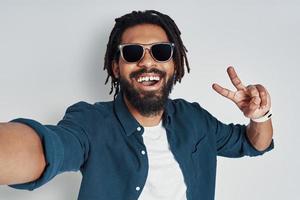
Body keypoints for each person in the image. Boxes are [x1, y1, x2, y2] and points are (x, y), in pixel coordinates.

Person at [0, 10, 274, 200]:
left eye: (160, 51)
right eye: (132, 53)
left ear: (174, 63)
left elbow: (253, 143)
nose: (147, 62)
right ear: (116, 67)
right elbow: (53, 147)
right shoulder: (91, 122)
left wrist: (260, 117)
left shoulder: (195, 118)